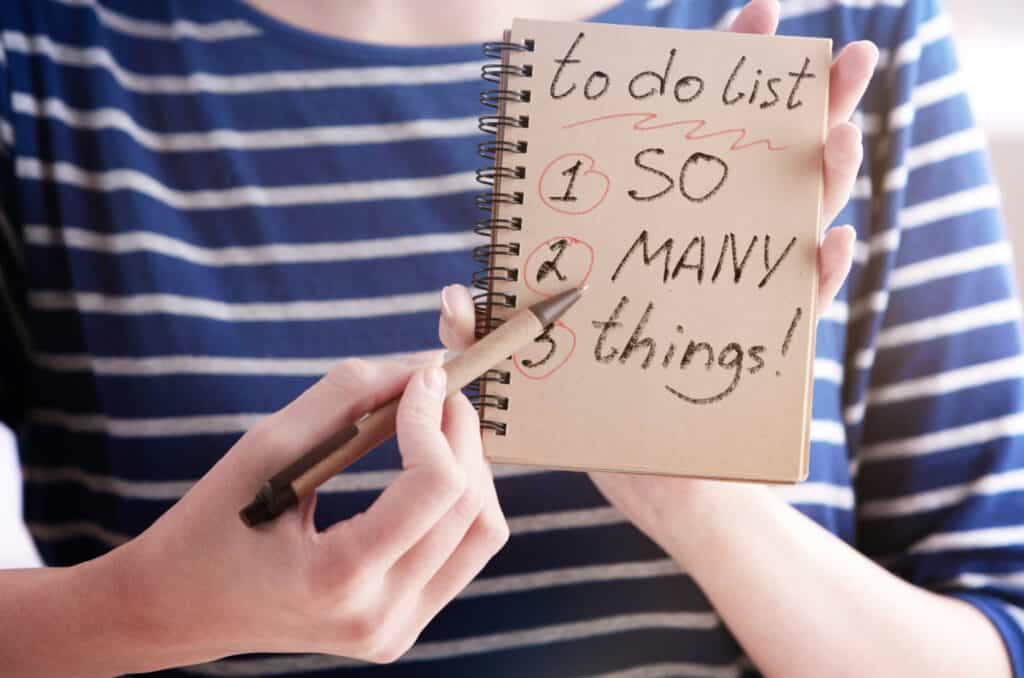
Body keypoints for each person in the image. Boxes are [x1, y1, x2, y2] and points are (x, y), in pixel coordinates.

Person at [0, 0, 1020, 675]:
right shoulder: (42, 55)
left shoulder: (843, 27)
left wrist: (700, 504)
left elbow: (997, 638)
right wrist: (144, 606)